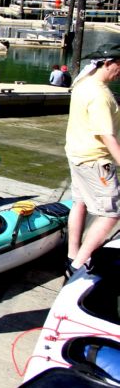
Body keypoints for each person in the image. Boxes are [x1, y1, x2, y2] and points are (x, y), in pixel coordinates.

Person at [64, 43, 120, 278]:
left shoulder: (82, 83)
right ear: (107, 63)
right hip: (95, 160)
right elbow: (105, 135)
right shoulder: (100, 94)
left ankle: (71, 253)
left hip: (76, 154)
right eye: (119, 66)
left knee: (80, 202)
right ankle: (78, 263)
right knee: (112, 213)